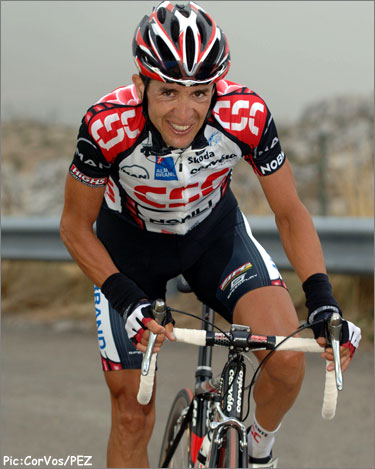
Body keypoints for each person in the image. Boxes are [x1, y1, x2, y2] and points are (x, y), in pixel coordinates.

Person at [60, 2, 362, 468]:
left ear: (217, 85)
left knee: (285, 359)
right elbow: (75, 227)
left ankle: (258, 445)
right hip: (131, 250)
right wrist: (125, 297)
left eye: (200, 93)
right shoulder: (106, 124)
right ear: (140, 82)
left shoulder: (245, 114)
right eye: (168, 93)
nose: (185, 113)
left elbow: (289, 212)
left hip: (213, 237)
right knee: (131, 417)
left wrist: (322, 298)